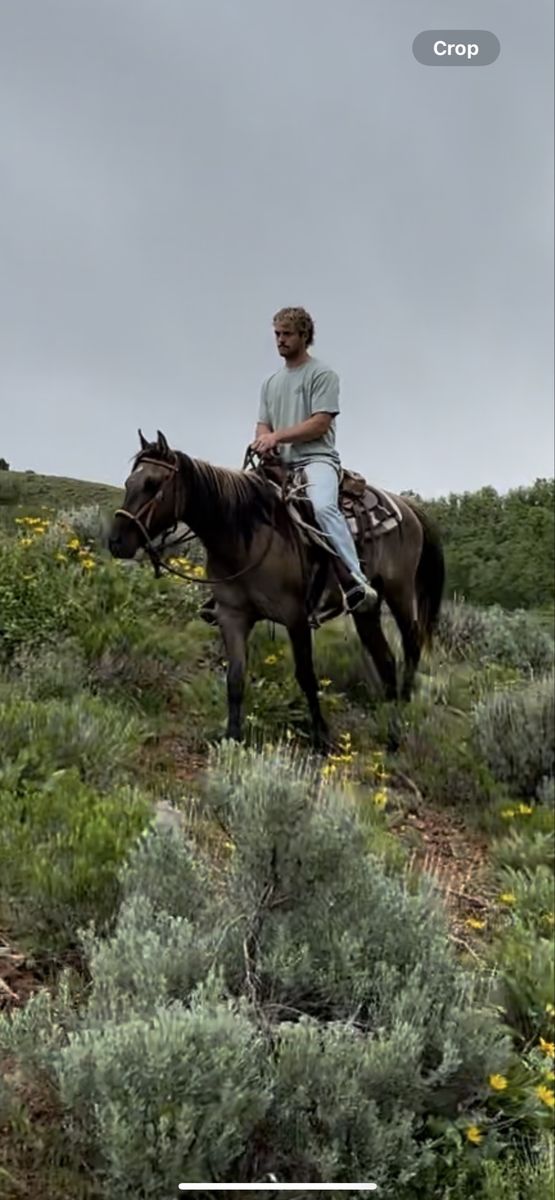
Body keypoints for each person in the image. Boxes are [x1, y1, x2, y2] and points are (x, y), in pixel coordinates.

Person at [250, 306, 378, 613]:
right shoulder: (270, 383)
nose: (280, 340)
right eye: (277, 334)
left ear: (304, 336)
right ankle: (234, 588)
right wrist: (263, 440)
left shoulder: (322, 375)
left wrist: (277, 437)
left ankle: (355, 581)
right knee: (239, 504)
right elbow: (263, 424)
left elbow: (320, 424)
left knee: (322, 507)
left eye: (287, 334)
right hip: (278, 466)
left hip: (315, 460)